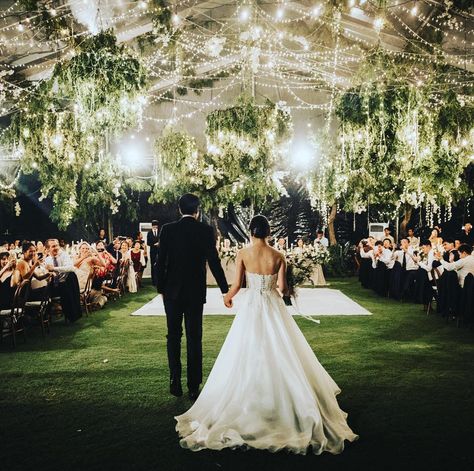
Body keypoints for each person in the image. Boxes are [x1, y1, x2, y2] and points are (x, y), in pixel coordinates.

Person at [175, 215, 358, 454]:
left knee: (246, 352)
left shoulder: (243, 253)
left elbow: (237, 285)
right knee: (281, 350)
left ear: (251, 232)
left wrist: (227, 297)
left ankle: (251, 399)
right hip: (273, 306)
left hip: (251, 306)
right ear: (269, 232)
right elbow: (282, 289)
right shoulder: (278, 256)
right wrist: (290, 286)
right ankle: (284, 401)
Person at [156, 193, 228, 400]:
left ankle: (174, 379)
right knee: (194, 338)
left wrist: (161, 288)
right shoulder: (205, 231)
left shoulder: (168, 230)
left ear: (180, 209)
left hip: (172, 291)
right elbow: (214, 261)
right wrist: (224, 289)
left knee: (173, 336)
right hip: (195, 293)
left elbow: (161, 262)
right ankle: (194, 385)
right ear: (197, 211)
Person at [44, 238, 82, 322]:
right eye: (53, 246)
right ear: (48, 249)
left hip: (67, 282)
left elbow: (70, 268)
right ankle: (44, 316)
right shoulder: (47, 260)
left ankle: (71, 315)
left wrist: (54, 268)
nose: (56, 248)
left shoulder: (64, 255)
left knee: (69, 279)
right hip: (55, 284)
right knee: (44, 290)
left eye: (57, 245)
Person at [74, 242, 108, 308]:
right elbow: (73, 264)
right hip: (76, 281)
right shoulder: (76, 258)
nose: (85, 250)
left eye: (87, 248)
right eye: (83, 248)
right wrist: (83, 257)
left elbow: (104, 264)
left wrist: (97, 253)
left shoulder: (91, 259)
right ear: (79, 249)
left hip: (84, 284)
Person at [147, 220, 160, 286]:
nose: (155, 226)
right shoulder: (149, 233)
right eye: (153, 225)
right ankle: (154, 281)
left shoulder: (160, 232)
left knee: (159, 265)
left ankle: (159, 280)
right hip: (152, 251)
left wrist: (159, 243)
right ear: (152, 226)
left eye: (156, 225)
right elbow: (148, 243)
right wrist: (154, 244)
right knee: (153, 265)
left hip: (159, 251)